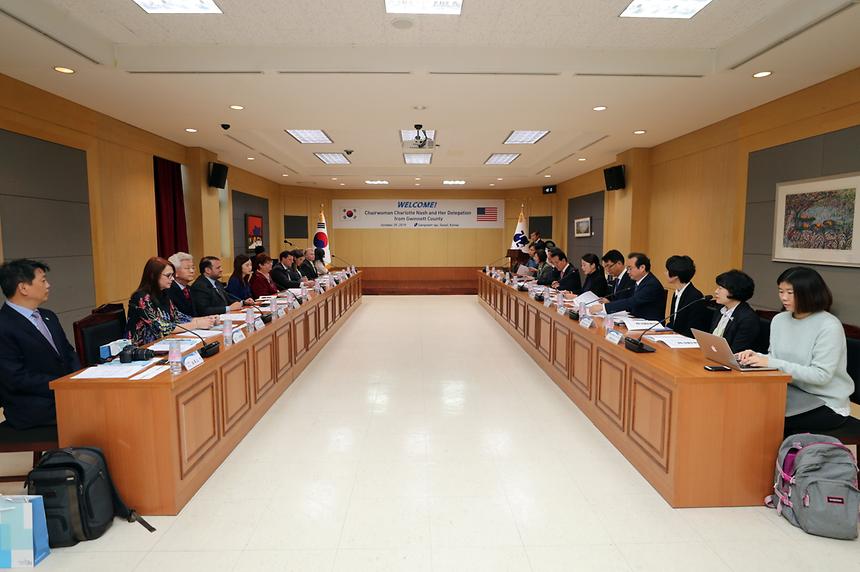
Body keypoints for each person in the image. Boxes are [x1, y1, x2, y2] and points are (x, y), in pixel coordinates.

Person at [738, 267, 854, 435]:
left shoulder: (829, 326)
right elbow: (775, 358)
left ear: (810, 293)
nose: (784, 297)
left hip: (826, 402)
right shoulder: (779, 319)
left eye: (790, 293)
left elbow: (821, 375)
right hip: (790, 393)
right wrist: (756, 357)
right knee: (741, 403)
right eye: (781, 291)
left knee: (759, 416)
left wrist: (769, 362)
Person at [0, 259, 80, 429]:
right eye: (43, 281)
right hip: (33, 408)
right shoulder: (4, 325)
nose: (48, 285)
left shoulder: (48, 315)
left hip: (64, 394)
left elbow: (68, 352)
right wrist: (63, 385)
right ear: (23, 288)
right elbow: (16, 378)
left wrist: (77, 379)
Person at [126, 257, 215, 345]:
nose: (172, 279)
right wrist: (196, 324)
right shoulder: (141, 297)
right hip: (142, 347)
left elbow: (177, 316)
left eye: (172, 275)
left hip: (162, 342)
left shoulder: (164, 293)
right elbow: (162, 327)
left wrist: (207, 319)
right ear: (153, 275)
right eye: (168, 275)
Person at [592, 252, 665, 321]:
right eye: (627, 269)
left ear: (642, 268)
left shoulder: (651, 284)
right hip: (636, 320)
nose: (628, 272)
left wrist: (603, 307)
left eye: (630, 268)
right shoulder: (640, 281)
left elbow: (632, 301)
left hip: (650, 324)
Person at [710, 269, 760, 353]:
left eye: (720, 288)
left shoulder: (748, 318)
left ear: (733, 291)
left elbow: (737, 351)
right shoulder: (720, 309)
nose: (716, 291)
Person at [665, 255, 710, 337]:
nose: (665, 273)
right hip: (674, 337)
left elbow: (692, 329)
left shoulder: (695, 297)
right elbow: (673, 323)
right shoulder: (677, 292)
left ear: (675, 276)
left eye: (667, 271)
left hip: (685, 340)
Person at [166, 252, 196, 317]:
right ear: (175, 272)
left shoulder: (190, 289)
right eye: (187, 268)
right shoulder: (168, 290)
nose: (192, 271)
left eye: (193, 268)